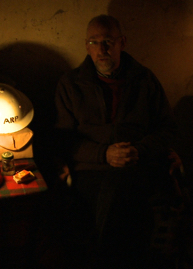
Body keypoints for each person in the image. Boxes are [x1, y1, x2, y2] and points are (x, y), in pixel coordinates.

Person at [54, 14, 178, 268]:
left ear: (122, 42)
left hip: (139, 163)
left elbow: (167, 129)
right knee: (121, 200)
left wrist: (139, 150)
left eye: (108, 41)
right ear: (86, 46)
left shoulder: (144, 80)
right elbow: (64, 139)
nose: (102, 50)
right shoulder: (71, 84)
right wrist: (104, 154)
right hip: (92, 169)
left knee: (121, 187)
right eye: (94, 42)